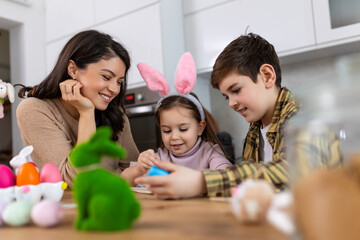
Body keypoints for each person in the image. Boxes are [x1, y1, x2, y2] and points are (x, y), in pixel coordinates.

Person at [135, 33, 341, 199]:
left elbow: (294, 171)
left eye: (236, 90)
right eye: (226, 97)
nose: (232, 103)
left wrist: (201, 182)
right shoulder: (255, 130)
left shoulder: (304, 116)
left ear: (267, 76)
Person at [16, 30, 139, 187]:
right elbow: (74, 180)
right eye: (107, 77)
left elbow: (134, 169)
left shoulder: (116, 115)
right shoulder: (34, 110)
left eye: (119, 82)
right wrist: (86, 113)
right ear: (73, 70)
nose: (115, 89)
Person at [124, 53, 232, 186]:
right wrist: (140, 168)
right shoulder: (160, 158)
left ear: (200, 128)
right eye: (167, 131)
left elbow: (228, 176)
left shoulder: (210, 152)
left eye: (183, 129)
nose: (174, 137)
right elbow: (122, 181)